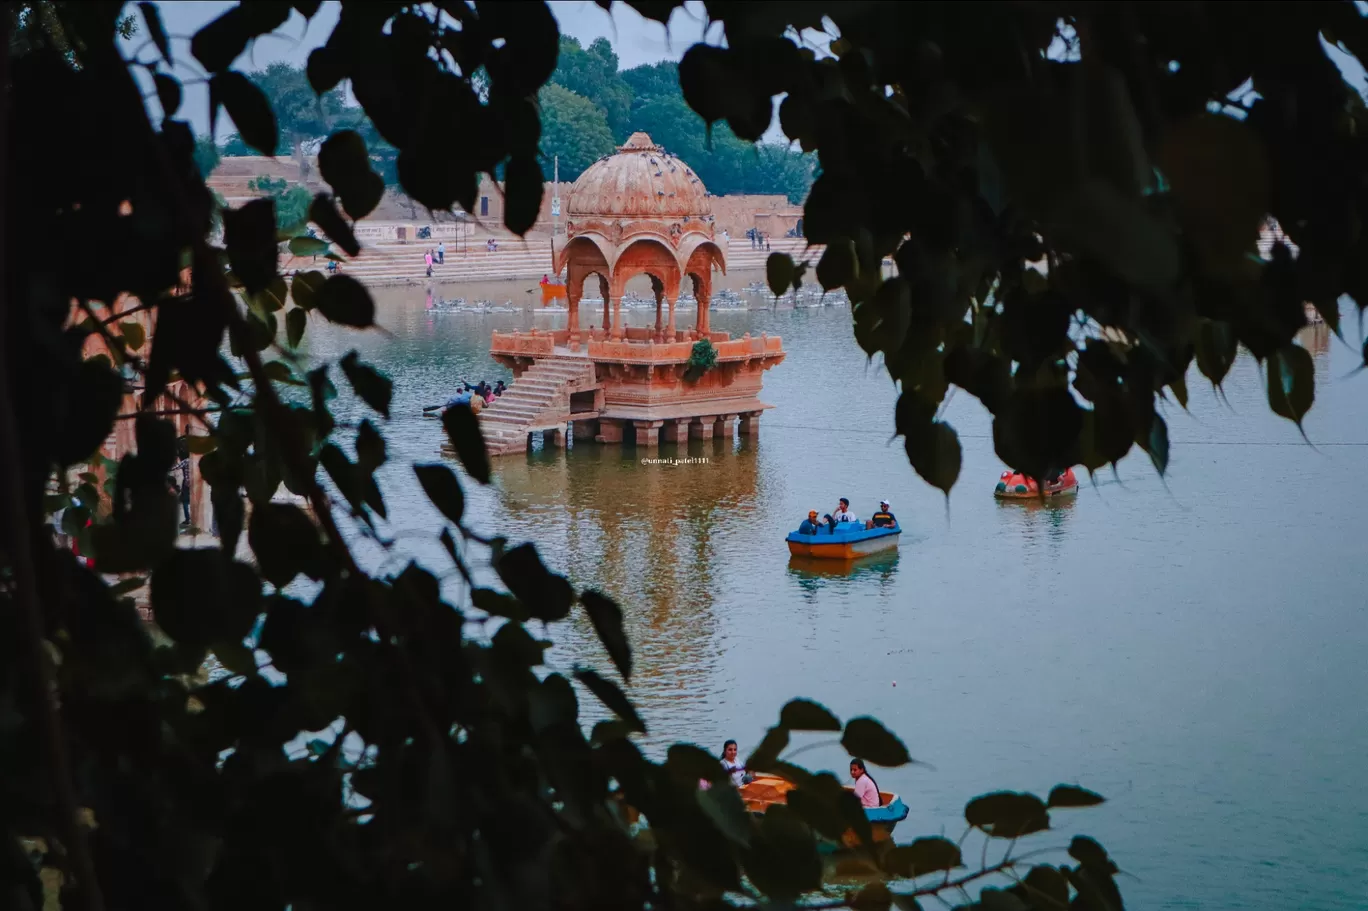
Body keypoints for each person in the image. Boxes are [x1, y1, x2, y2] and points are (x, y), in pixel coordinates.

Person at [174, 439, 192, 527]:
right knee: (190, 501)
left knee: (184, 501)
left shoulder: (185, 461)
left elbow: (175, 467)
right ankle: (190, 518)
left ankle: (188, 519)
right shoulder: (192, 460)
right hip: (193, 483)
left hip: (187, 483)